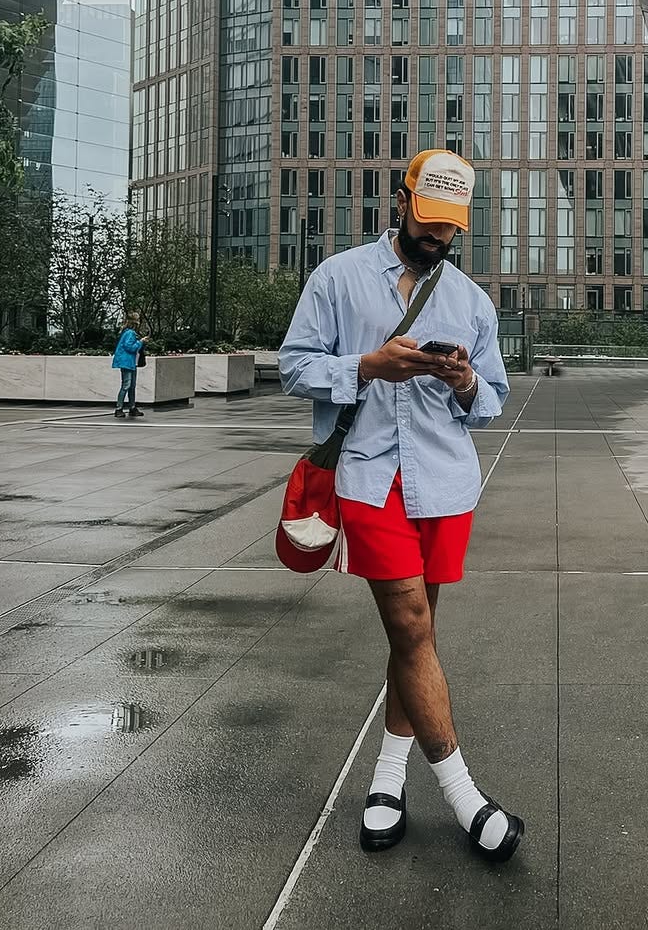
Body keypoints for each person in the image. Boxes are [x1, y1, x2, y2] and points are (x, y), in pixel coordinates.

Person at [279, 149, 521, 863]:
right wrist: (365, 367)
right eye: (427, 219)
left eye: (450, 227)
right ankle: (463, 793)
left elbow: (493, 403)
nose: (437, 237)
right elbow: (293, 365)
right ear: (401, 199)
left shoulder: (471, 301)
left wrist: (465, 380)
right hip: (368, 476)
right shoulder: (339, 278)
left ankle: (387, 783)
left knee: (415, 638)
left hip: (445, 483)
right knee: (412, 626)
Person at [112, 314, 148, 419]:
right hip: (127, 362)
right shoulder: (130, 333)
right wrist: (140, 342)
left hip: (130, 362)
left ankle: (131, 407)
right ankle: (120, 408)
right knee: (127, 385)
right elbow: (130, 347)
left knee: (131, 386)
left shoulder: (127, 332)